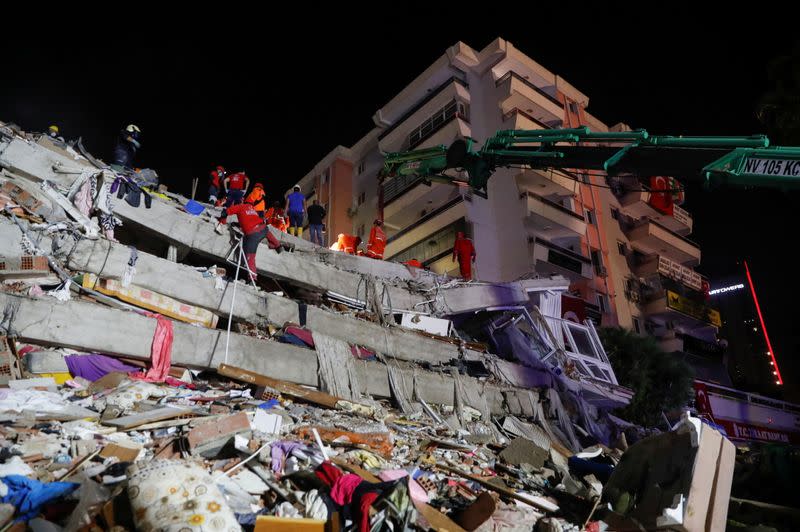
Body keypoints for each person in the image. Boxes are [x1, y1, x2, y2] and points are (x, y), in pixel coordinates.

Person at [218, 202, 281, 282]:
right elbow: (250, 219)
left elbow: (225, 212)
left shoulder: (239, 207)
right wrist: (238, 224)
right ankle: (277, 245)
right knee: (265, 231)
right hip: (263, 228)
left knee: (250, 258)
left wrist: (222, 222)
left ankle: (252, 279)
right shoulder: (250, 207)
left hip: (253, 234)